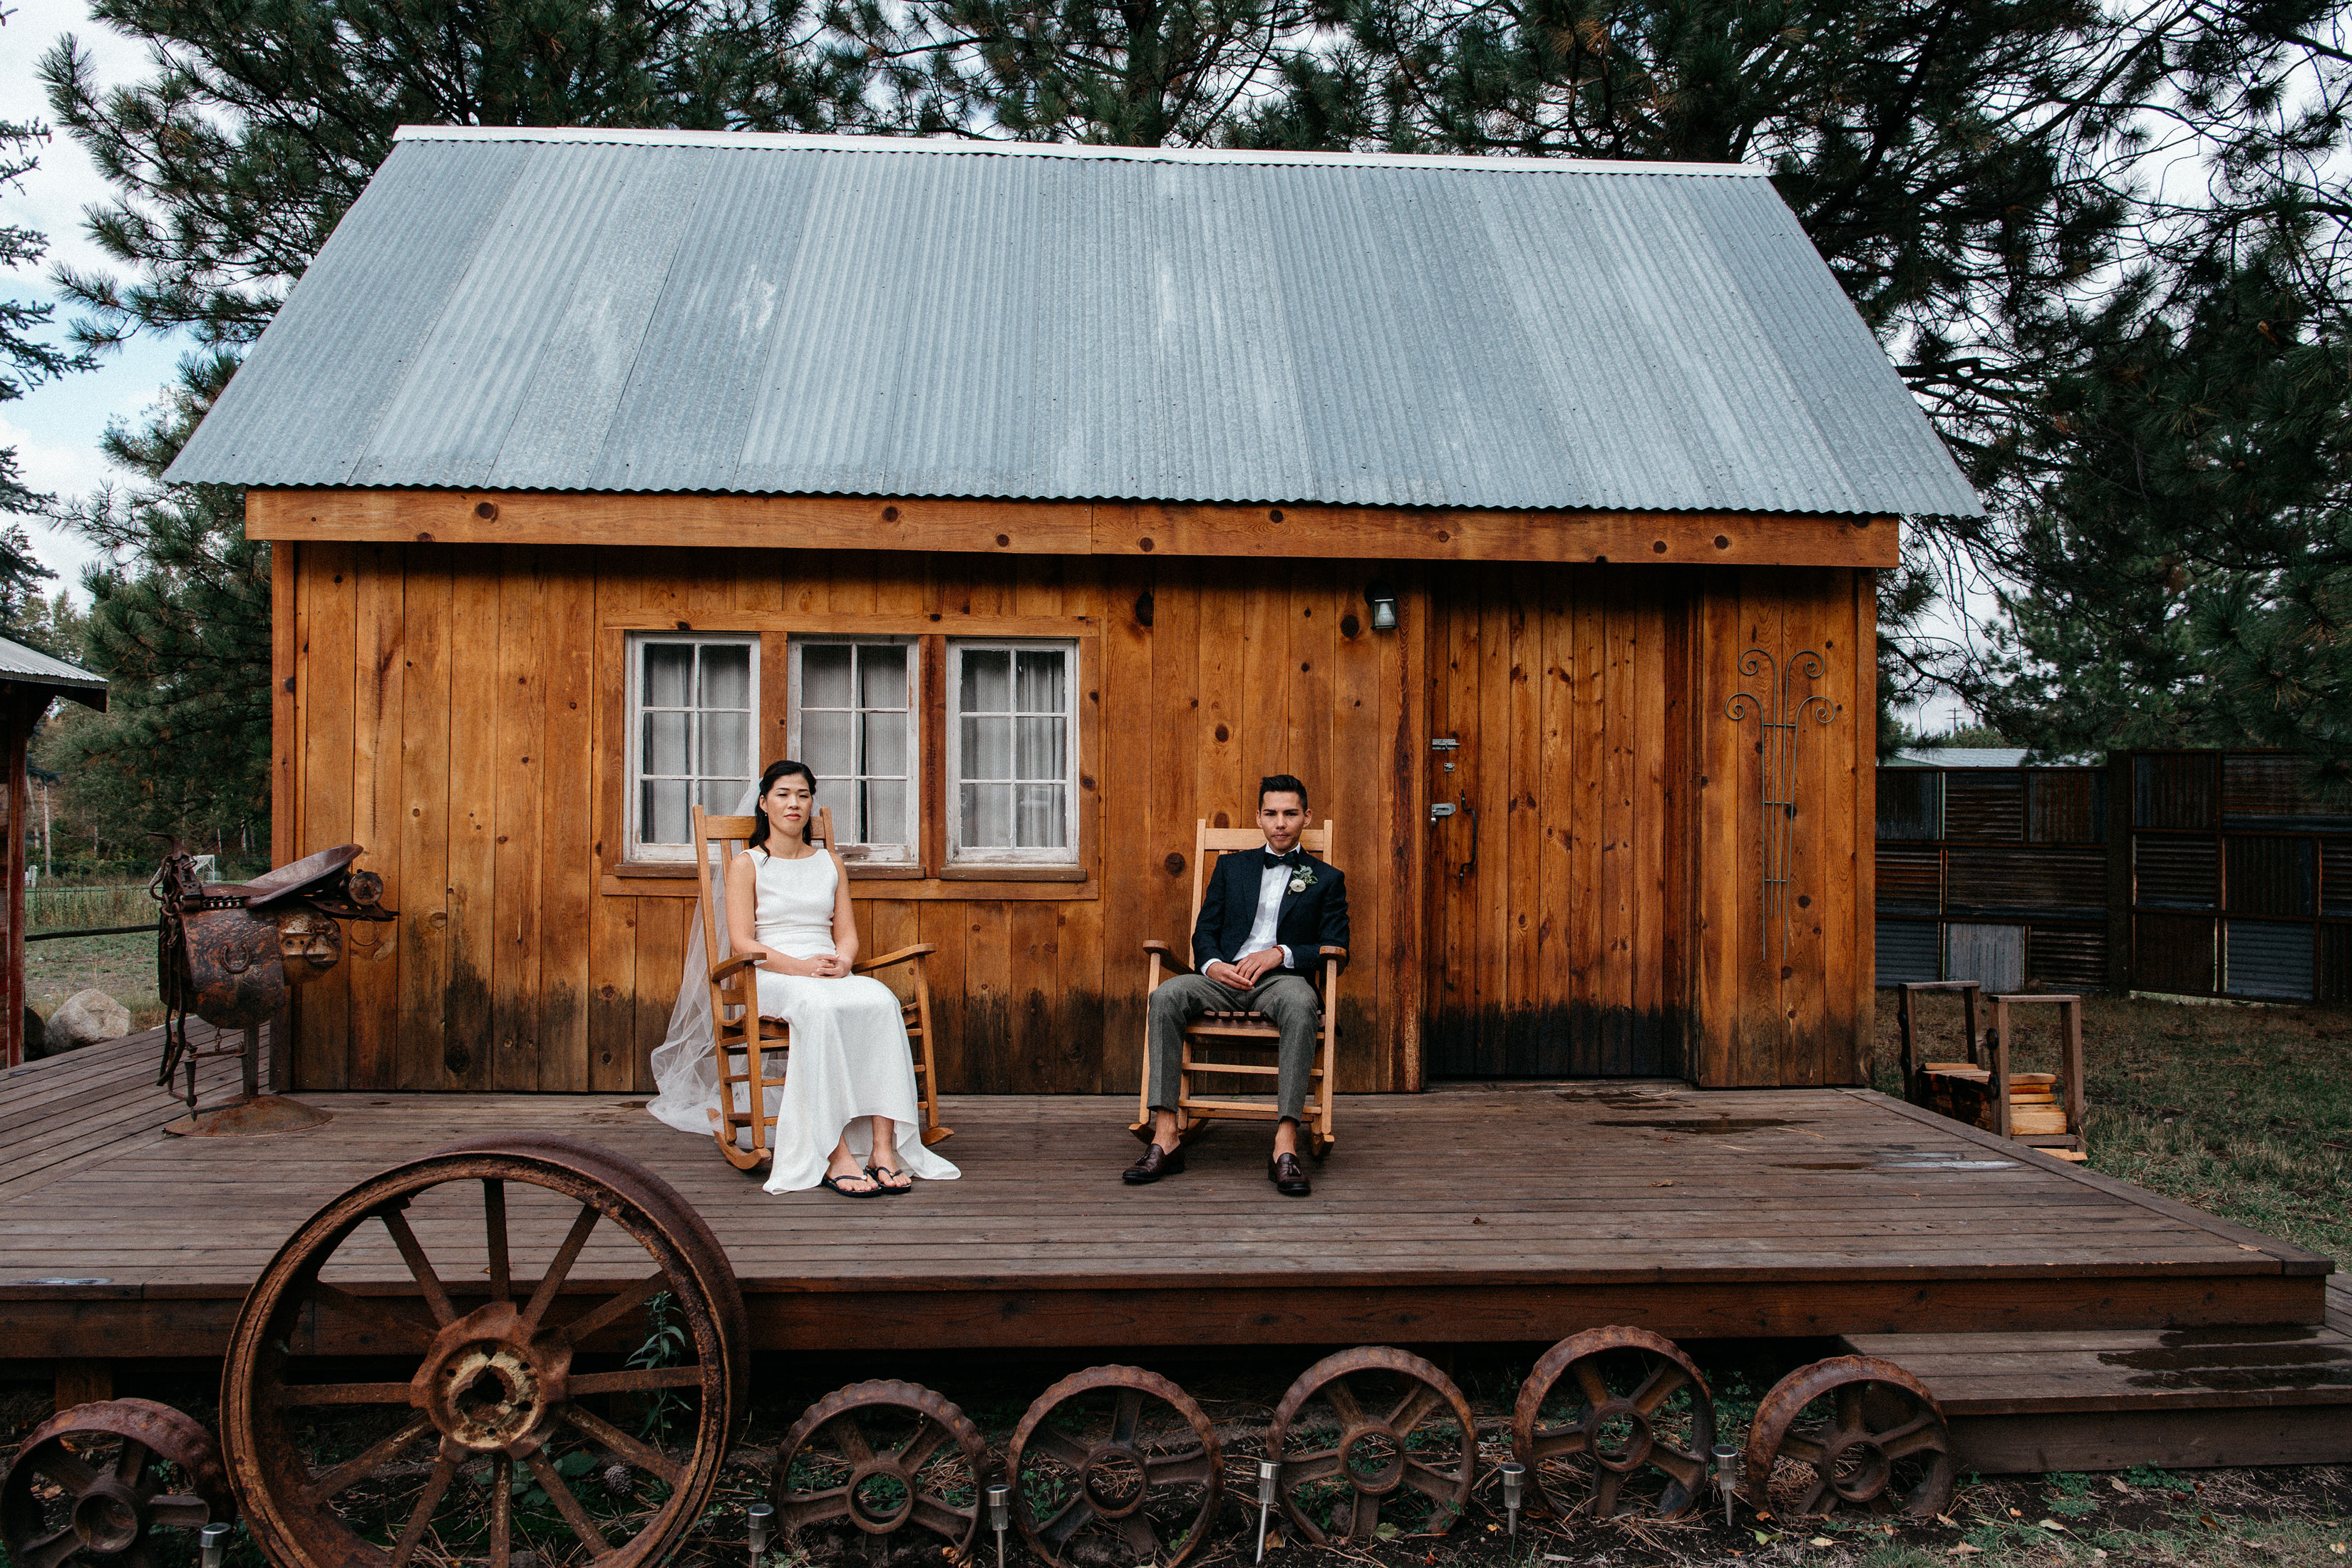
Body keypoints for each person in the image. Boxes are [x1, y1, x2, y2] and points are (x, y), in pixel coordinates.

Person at [650, 760, 959, 1198]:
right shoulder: (748, 864)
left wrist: (845, 961)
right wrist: (800, 968)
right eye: (783, 794)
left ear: (811, 804)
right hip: (773, 972)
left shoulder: (829, 862)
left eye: (802, 795)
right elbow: (742, 943)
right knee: (818, 1006)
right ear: (764, 803)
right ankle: (835, 1154)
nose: (793, 803)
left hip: (828, 968)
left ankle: (883, 1149)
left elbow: (846, 934)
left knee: (881, 1000)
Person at [1125, 773, 1348, 1197]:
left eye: (1290, 814)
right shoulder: (1232, 867)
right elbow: (1204, 930)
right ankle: (1166, 1136)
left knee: (1302, 1005)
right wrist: (1209, 965)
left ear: (1306, 817)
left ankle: (1285, 1144)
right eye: (1271, 814)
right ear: (1259, 818)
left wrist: (1281, 953)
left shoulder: (1326, 878)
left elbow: (1336, 946)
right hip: (1224, 978)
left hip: (1282, 981)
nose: (1280, 823)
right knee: (1166, 995)